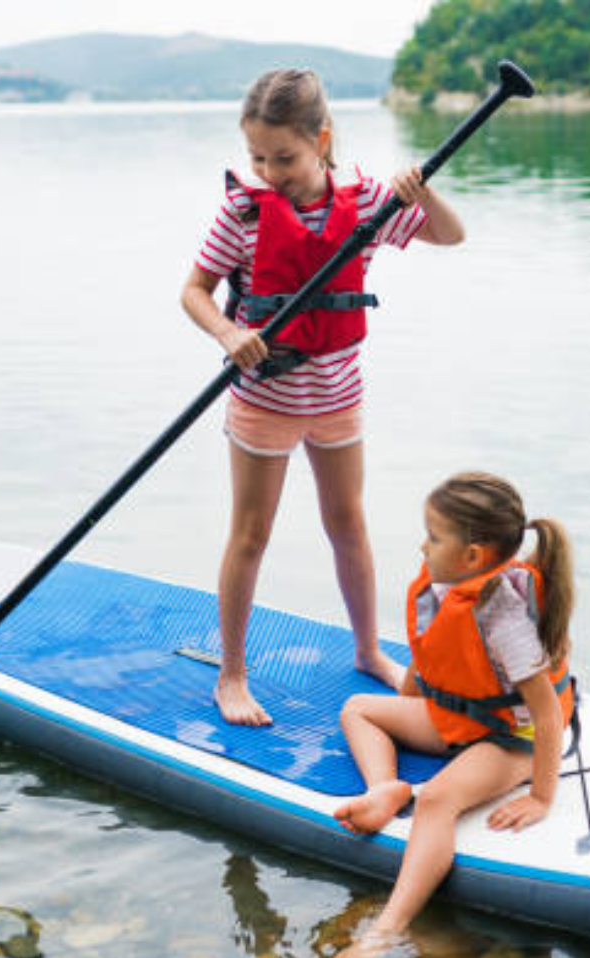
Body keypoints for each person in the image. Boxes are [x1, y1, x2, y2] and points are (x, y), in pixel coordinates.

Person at [182, 68, 465, 726]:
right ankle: (231, 674)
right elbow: (193, 291)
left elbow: (449, 236)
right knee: (250, 535)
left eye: (284, 157)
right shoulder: (244, 212)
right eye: (257, 157)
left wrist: (423, 192)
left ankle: (368, 651)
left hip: (339, 397)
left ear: (322, 140)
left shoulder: (368, 204)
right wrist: (229, 332)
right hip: (264, 401)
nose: (269, 171)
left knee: (349, 525)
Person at [330, 471, 577, 958]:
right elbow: (428, 657)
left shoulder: (504, 618)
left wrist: (541, 796)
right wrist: (405, 710)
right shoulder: (447, 588)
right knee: (358, 709)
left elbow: (547, 716)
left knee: (438, 802)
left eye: (434, 536)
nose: (423, 546)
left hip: (512, 738)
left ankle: (386, 930)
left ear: (473, 556)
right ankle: (385, 789)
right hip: (460, 718)